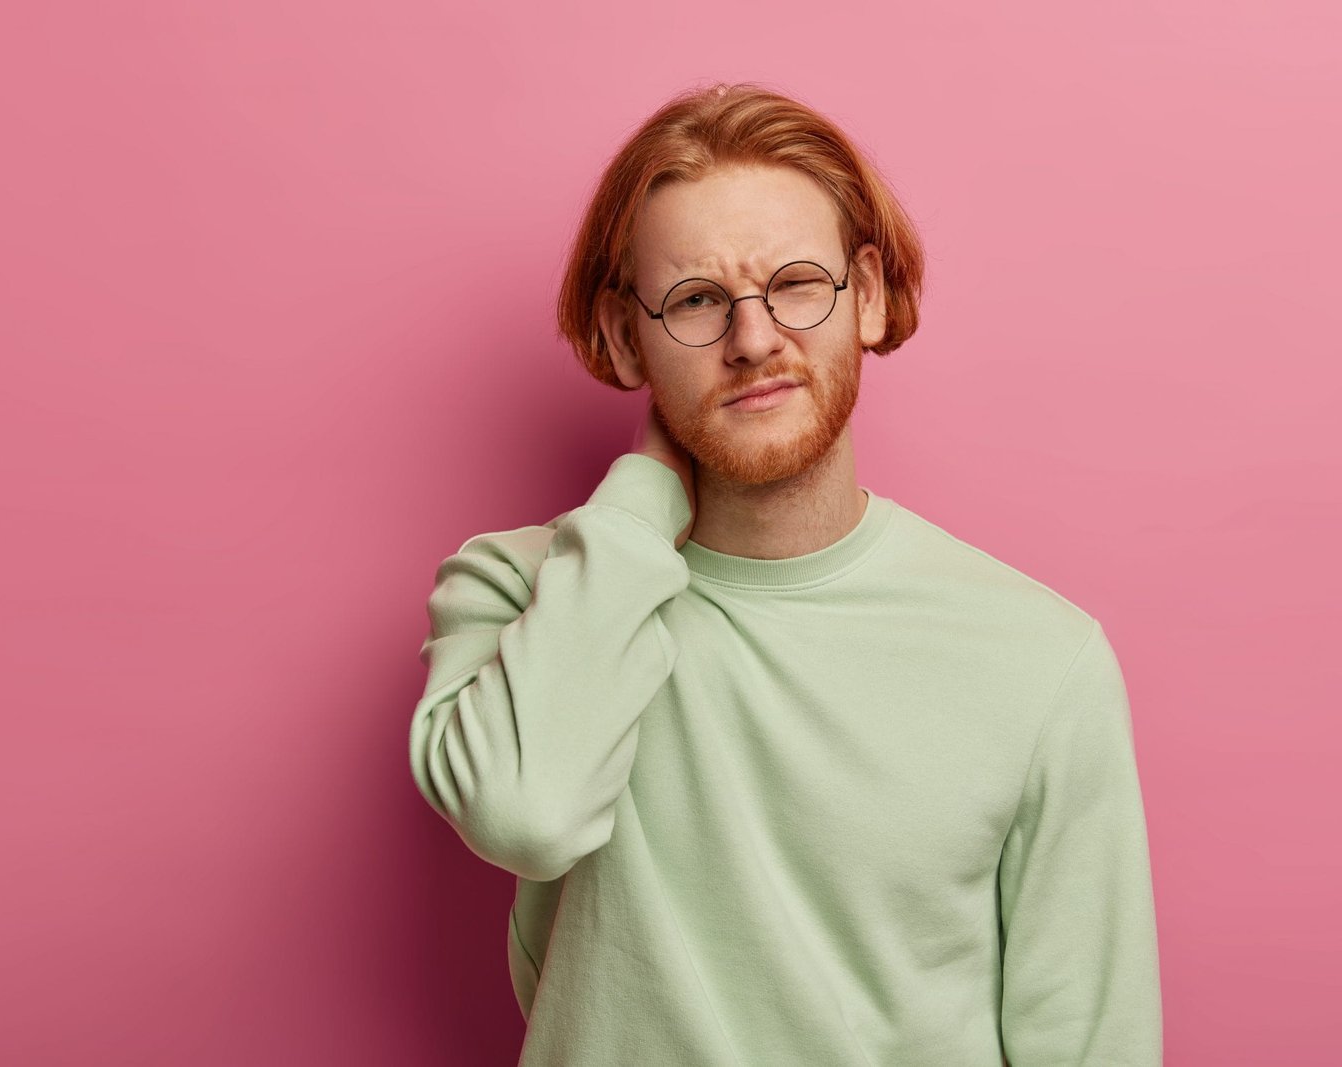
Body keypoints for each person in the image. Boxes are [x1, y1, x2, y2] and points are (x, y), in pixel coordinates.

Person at [407, 82, 1162, 1066]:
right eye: (695, 300)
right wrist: (640, 501)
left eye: (796, 283)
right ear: (624, 332)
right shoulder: (518, 595)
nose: (753, 340)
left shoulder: (1040, 658)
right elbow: (527, 814)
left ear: (871, 295)